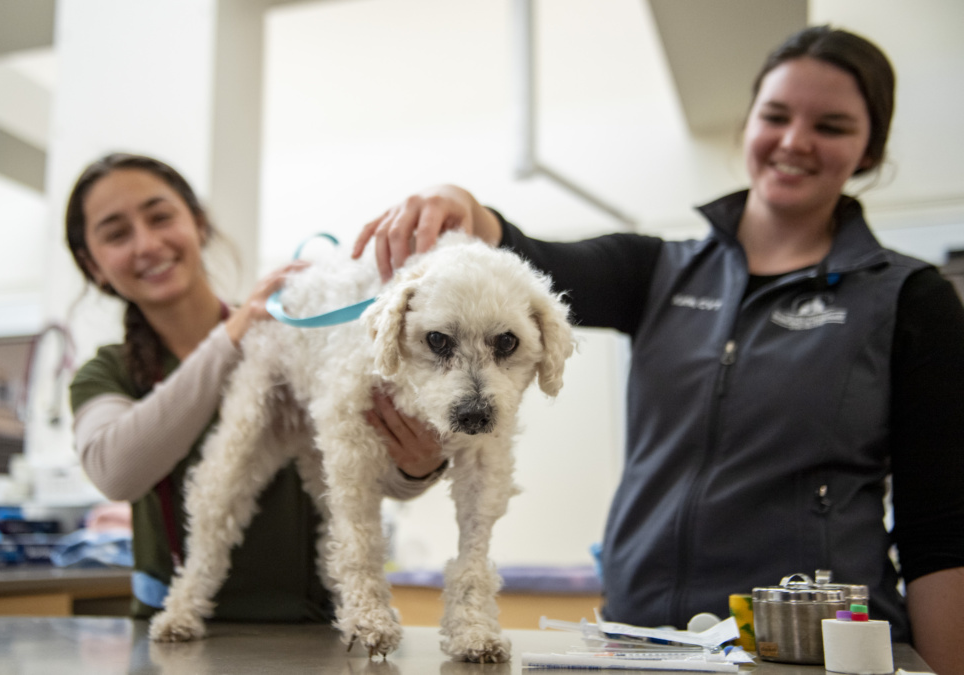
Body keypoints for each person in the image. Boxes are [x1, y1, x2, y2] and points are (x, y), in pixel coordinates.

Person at [353, 26, 964, 674]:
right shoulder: (658, 270)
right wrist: (462, 202)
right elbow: (530, 259)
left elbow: (942, 528)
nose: (794, 141)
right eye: (776, 115)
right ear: (748, 121)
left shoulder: (910, 299)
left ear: (869, 149)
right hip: (642, 642)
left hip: (810, 652)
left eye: (832, 125)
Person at [65, 153, 447, 622]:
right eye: (117, 233)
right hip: (177, 641)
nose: (146, 243)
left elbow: (365, 468)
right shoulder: (106, 374)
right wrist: (232, 336)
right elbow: (116, 472)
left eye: (160, 217)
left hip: (307, 634)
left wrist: (418, 468)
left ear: (198, 224)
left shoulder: (291, 338)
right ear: (93, 263)